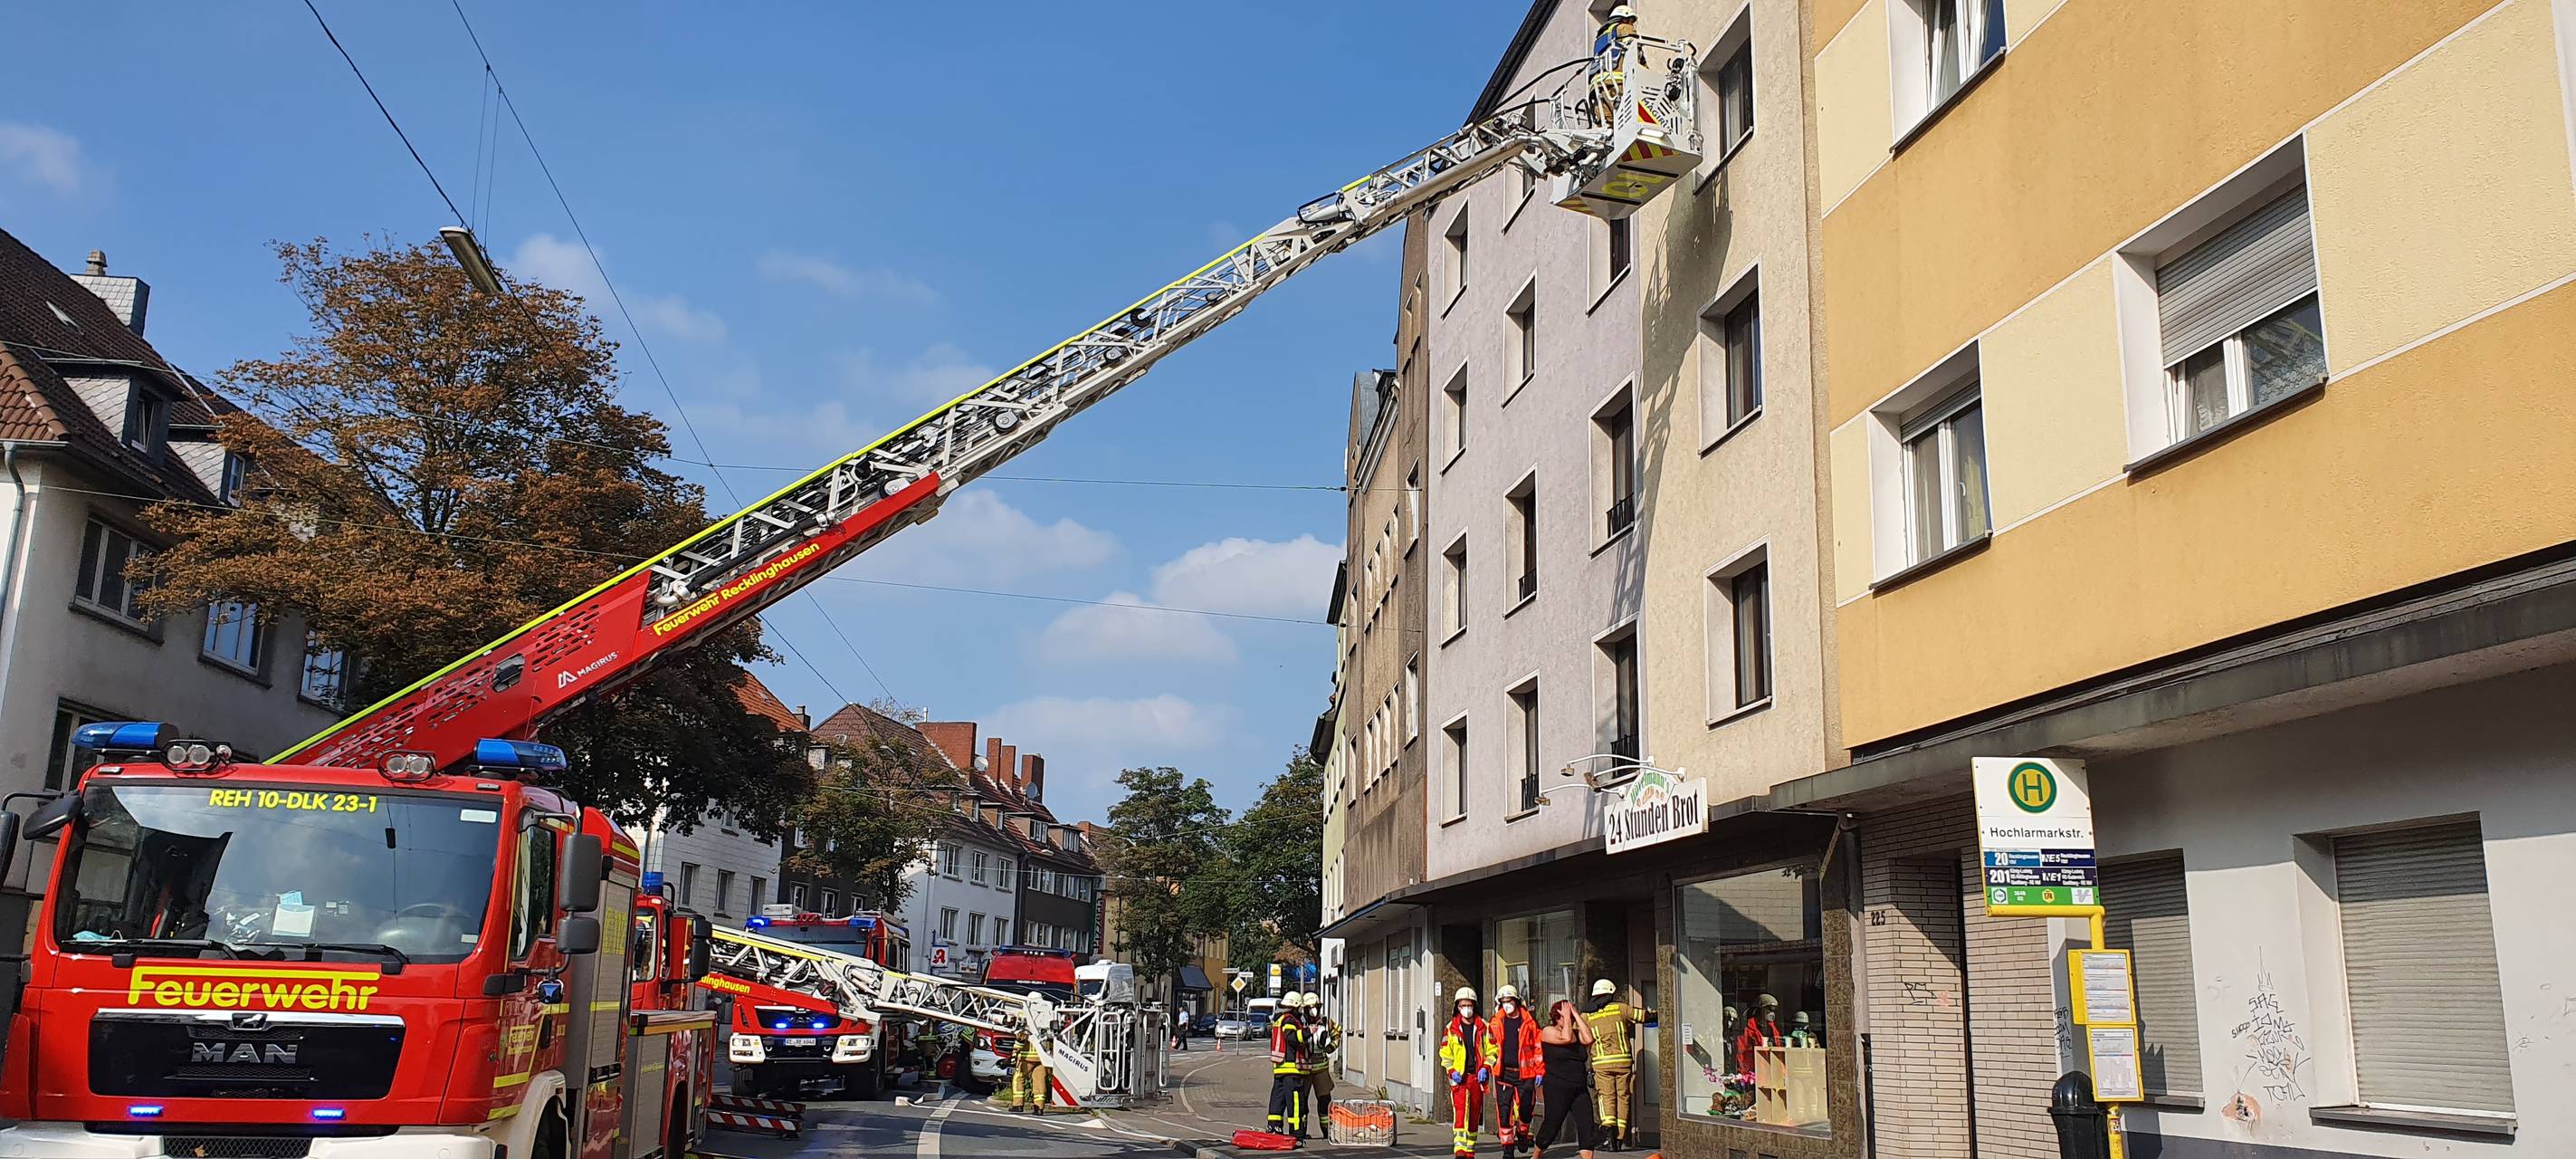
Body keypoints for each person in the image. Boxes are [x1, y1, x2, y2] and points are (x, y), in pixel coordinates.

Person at [1583, 980, 1655, 1152]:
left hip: (1601, 1063)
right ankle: (1620, 1137)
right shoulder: (1621, 1008)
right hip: (1623, 1062)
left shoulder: (1587, 1015)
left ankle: (1609, 1136)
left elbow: (1575, 1031)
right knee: (1623, 1097)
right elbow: (1645, 1016)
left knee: (1606, 1097)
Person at [1532, 1000, 1599, 1159]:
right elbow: (1566, 1038)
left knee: (1586, 1126)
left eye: (1571, 1017)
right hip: (1557, 1088)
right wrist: (1567, 1015)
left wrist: (1575, 1013)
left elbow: (1589, 1039)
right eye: (1565, 1016)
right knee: (1552, 1126)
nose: (1570, 1020)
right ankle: (1536, 1155)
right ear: (1557, 1017)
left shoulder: (1575, 1032)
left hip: (1579, 1088)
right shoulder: (1548, 1031)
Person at [1438, 987, 1498, 1159]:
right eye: (1463, 1005)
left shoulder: (1483, 1027)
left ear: (1474, 1006)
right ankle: (1459, 1151)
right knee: (1460, 1113)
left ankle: (1470, 1150)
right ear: (1457, 1006)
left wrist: (1486, 1067)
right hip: (1459, 1079)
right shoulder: (1451, 1028)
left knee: (1474, 1114)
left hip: (1476, 1078)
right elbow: (1444, 1053)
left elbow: (1492, 1050)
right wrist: (1451, 1071)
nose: (1466, 1008)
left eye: (1469, 1005)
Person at [1486, 985, 1544, 1158]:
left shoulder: (1529, 1022)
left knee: (1526, 1108)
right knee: (1504, 1112)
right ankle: (1507, 1148)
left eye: (1509, 1001)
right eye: (1503, 1002)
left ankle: (1523, 1133)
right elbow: (1490, 1046)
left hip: (1525, 1073)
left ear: (1516, 1001)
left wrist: (1540, 1071)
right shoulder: (1496, 1022)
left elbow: (1538, 1047)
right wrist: (1489, 1064)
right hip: (1503, 1073)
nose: (1506, 1005)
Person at [1267, 991, 1312, 1141]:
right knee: (1296, 1102)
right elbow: (1292, 1038)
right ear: (1297, 1007)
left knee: (1278, 1100)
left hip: (1279, 1068)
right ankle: (1297, 1133)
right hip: (1292, 1069)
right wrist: (1308, 1032)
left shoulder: (1279, 1019)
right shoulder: (1290, 1020)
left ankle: (1274, 1128)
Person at [1589, 5, 1639, 125]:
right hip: (1615, 83)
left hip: (1597, 87)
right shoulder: (1624, 28)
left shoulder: (1600, 38)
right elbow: (1635, 49)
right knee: (1627, 119)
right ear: (1625, 19)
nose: (1632, 24)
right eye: (1631, 21)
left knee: (1609, 126)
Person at [1302, 991, 1342, 1141]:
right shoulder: (1300, 1022)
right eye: (1310, 1008)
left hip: (1321, 1069)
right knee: (1302, 1102)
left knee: (1324, 1101)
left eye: (1316, 1007)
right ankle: (1301, 1131)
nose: (1314, 1011)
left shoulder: (1326, 1021)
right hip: (1304, 1069)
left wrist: (1331, 1047)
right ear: (1304, 1009)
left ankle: (1327, 1132)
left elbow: (1337, 1033)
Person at [1732, 992, 1783, 1070]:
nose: (1772, 1013)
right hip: (1756, 1070)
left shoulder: (1773, 1029)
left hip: (1772, 1069)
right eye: (1769, 1009)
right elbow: (1743, 1054)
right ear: (1759, 1010)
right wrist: (1746, 1074)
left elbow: (1778, 1051)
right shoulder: (1748, 1029)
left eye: (1773, 1010)